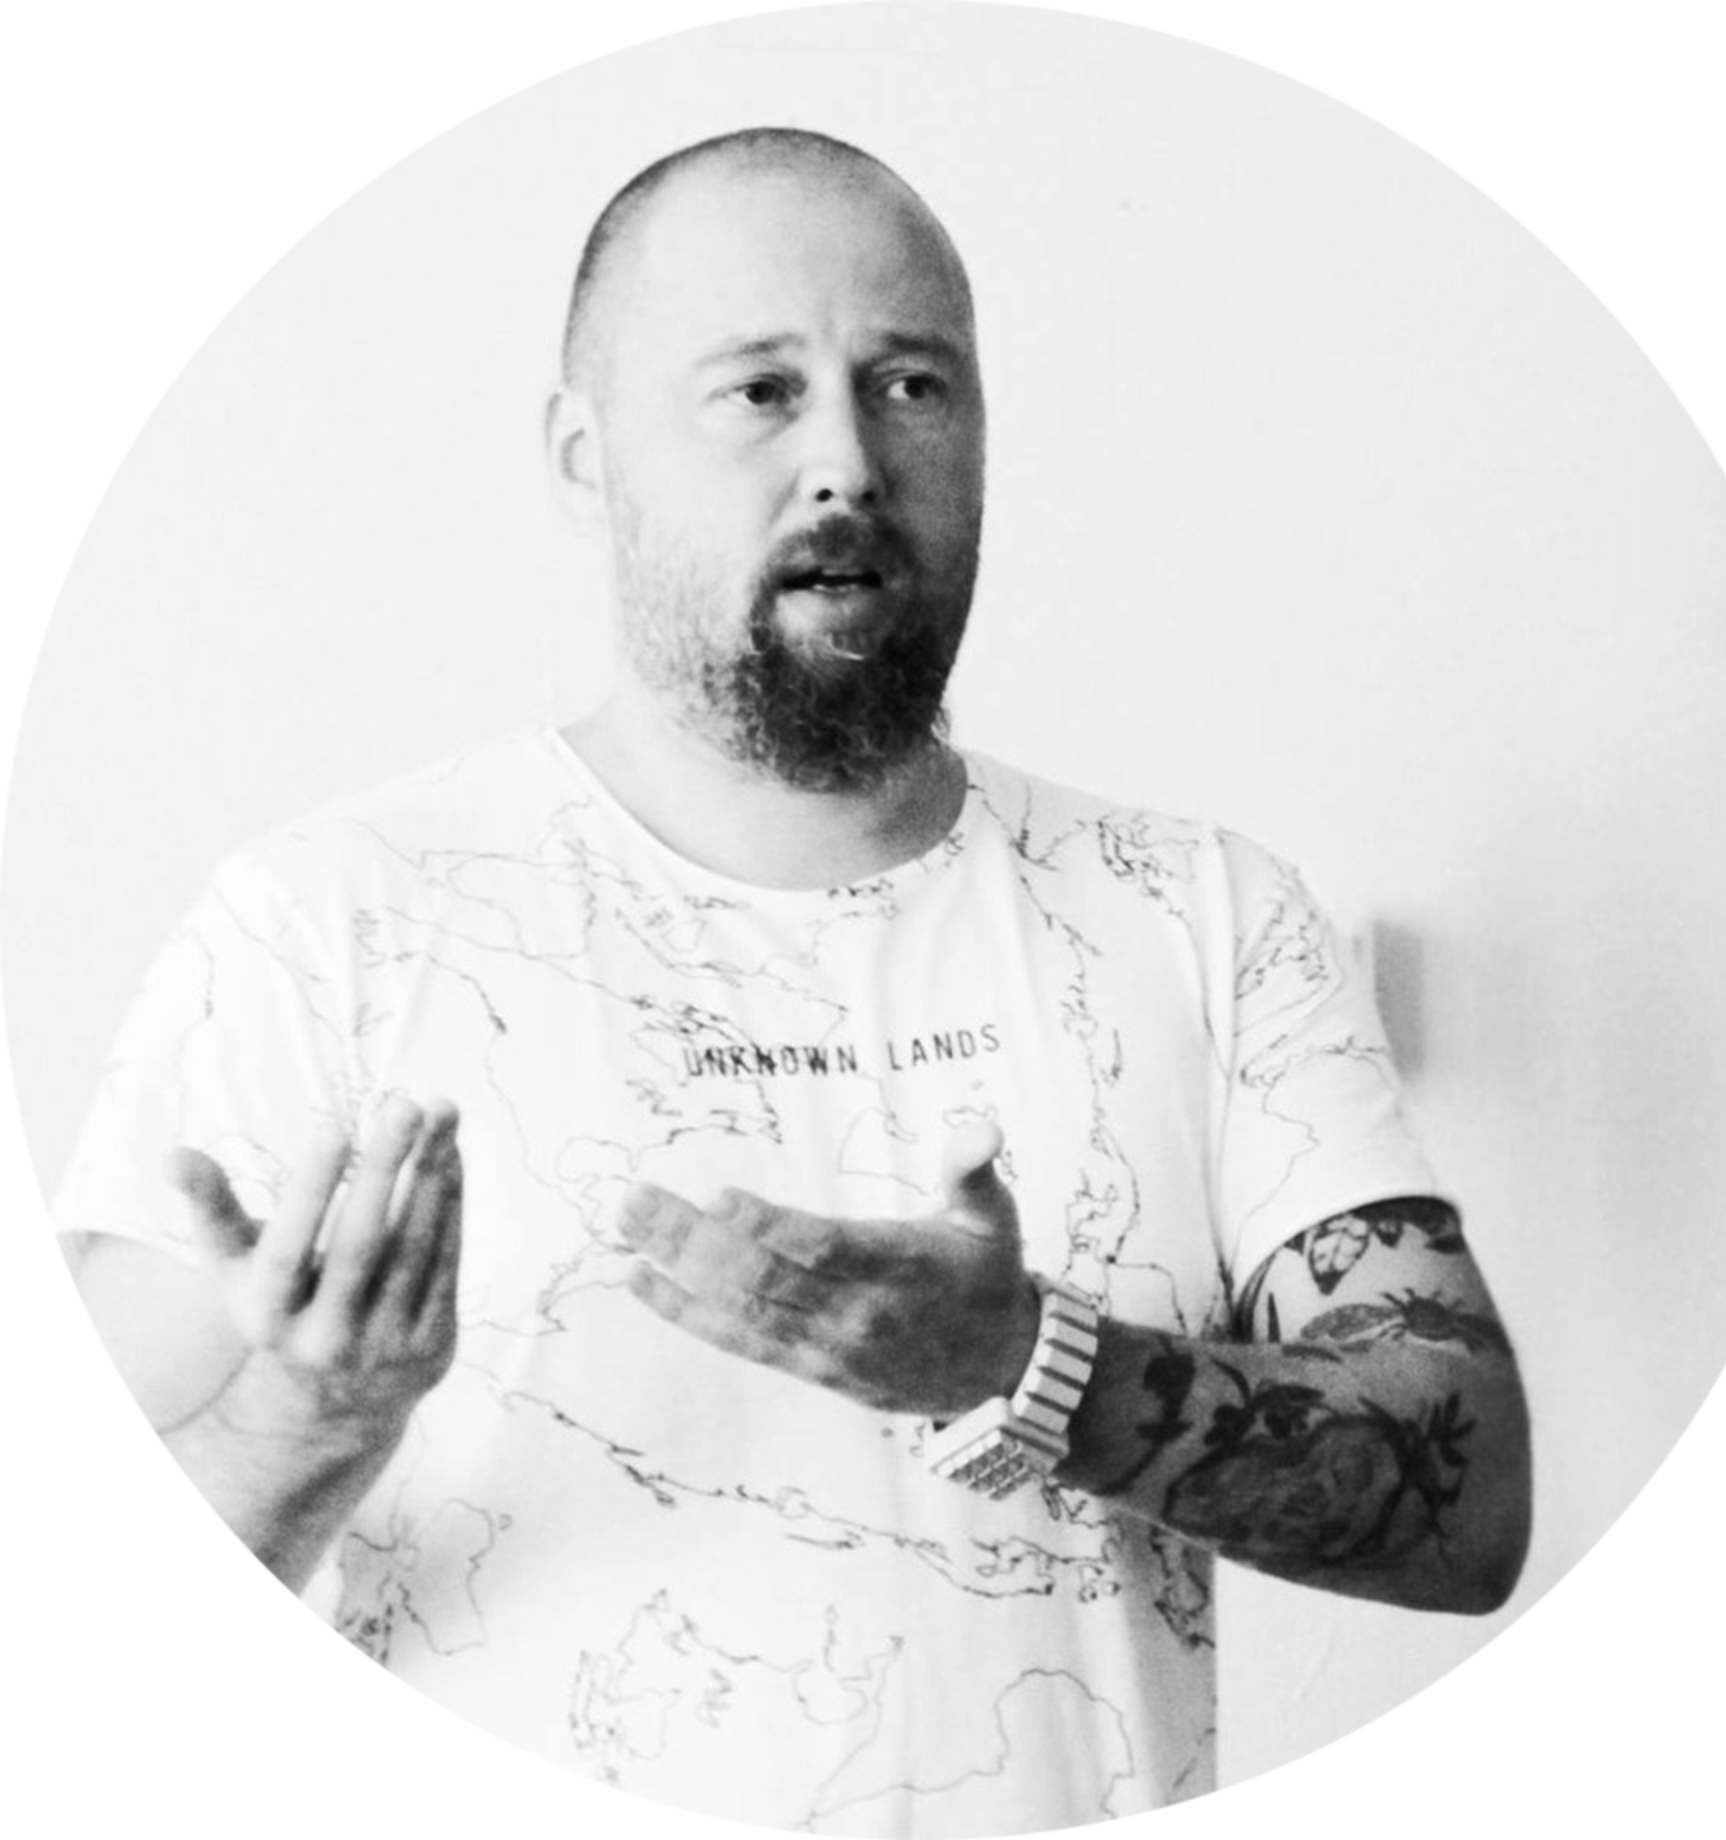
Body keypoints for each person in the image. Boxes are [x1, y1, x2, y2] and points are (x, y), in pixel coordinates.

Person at [58, 127, 1531, 1832]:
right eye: (758, 392)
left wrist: (1029, 1362)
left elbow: (1470, 1504)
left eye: (911, 385)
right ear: (585, 457)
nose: (846, 460)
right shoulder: (325, 928)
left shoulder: (1203, 913)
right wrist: (312, 1420)